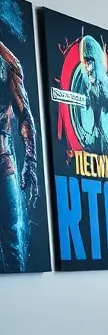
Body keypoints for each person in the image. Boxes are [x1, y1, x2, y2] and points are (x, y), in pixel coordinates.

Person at [0, 41, 40, 274]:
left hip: (2, 160)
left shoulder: (7, 63)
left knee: (12, 237)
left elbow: (25, 114)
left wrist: (31, 162)